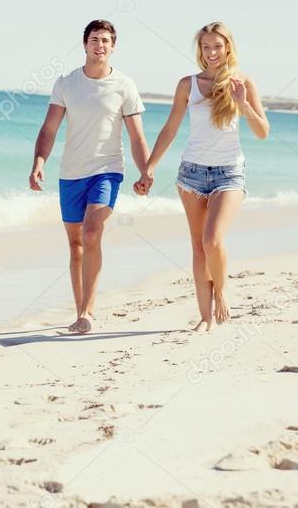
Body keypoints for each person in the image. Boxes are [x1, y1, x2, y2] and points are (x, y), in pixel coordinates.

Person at [134, 22, 270, 331]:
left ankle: (221, 291)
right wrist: (150, 167)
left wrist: (242, 103)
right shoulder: (187, 84)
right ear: (200, 50)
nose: (211, 52)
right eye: (206, 47)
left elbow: (263, 132)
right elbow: (170, 128)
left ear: (228, 48)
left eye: (217, 47)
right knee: (198, 247)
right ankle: (205, 318)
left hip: (229, 172)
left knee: (213, 240)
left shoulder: (243, 82)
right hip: (191, 173)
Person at [30, 20, 150, 334]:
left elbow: (137, 137)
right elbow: (49, 128)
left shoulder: (124, 85)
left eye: (106, 41)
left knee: (92, 232)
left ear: (113, 47)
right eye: (95, 39)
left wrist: (145, 170)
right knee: (75, 245)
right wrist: (39, 161)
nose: (100, 45)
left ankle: (87, 313)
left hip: (107, 170)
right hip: (71, 174)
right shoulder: (66, 83)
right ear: (84, 44)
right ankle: (79, 310)